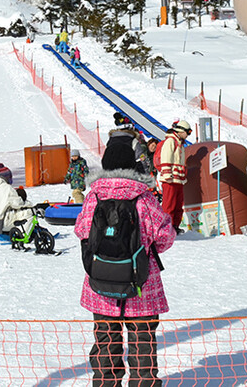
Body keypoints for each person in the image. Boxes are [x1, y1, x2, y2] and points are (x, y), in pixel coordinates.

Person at [75, 137, 175, 387]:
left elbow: (82, 231)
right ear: (132, 166)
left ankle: (106, 383)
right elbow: (165, 235)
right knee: (143, 344)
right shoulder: (144, 197)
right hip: (141, 285)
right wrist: (146, 250)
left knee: (106, 341)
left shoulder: (94, 197)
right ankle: (143, 383)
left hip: (102, 282)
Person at [158, 121, 191, 232]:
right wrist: (167, 174)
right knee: (169, 204)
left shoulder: (181, 144)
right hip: (170, 179)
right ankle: (166, 227)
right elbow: (166, 157)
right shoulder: (171, 141)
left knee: (178, 204)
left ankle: (174, 226)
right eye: (188, 132)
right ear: (181, 130)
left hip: (178, 179)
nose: (188, 135)